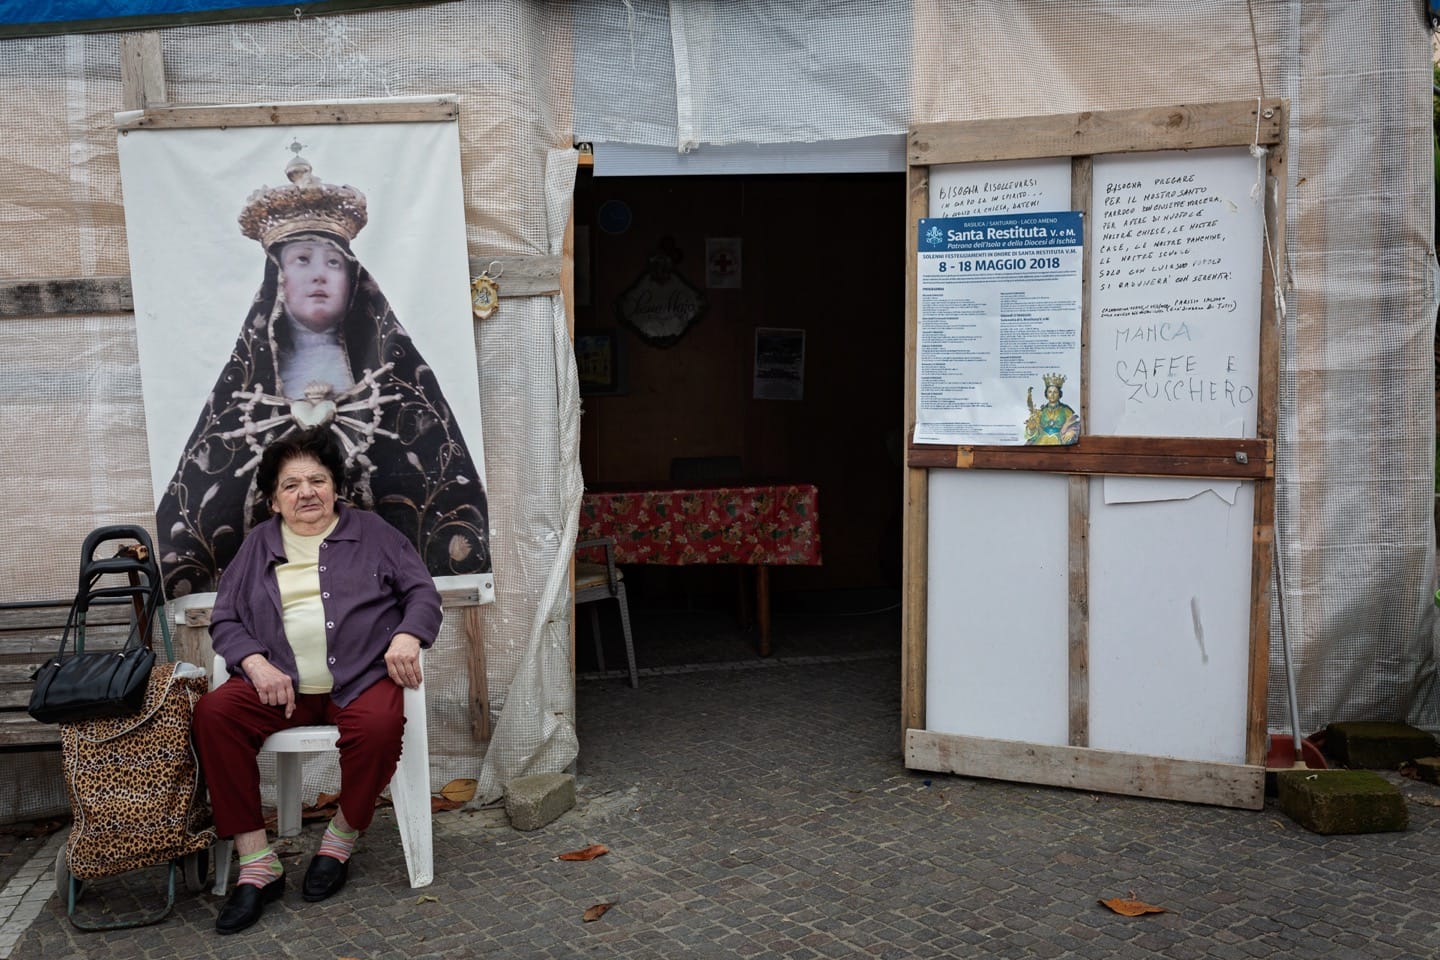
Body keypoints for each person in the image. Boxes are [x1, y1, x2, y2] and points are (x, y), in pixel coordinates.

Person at [156, 147, 489, 599]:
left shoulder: (400, 387)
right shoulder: (242, 399)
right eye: (302, 260)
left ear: (352, 278)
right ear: (278, 278)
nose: (320, 276)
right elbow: (199, 515)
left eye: (333, 263)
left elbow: (448, 493)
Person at [193, 427, 441, 935]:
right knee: (213, 715)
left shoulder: (372, 533)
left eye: (317, 480)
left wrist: (408, 636)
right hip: (279, 689)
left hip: (361, 678)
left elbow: (422, 594)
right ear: (274, 500)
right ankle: (258, 864)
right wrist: (255, 662)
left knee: (377, 728)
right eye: (291, 485)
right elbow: (225, 620)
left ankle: (341, 837)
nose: (306, 492)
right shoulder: (259, 544)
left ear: (335, 487)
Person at [1024, 373, 1081, 445]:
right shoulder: (1040, 412)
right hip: (1040, 442)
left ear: (1059, 394)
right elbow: (1035, 433)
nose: (1052, 395)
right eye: (1050, 392)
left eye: (1055, 392)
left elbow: (1074, 425)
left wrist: (1071, 432)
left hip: (1059, 442)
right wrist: (1032, 428)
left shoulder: (1066, 411)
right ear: (1046, 394)